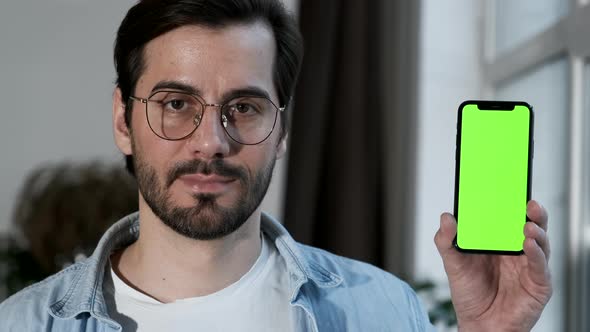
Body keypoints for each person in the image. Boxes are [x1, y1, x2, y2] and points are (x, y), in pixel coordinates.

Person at [0, 0, 552, 331]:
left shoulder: (379, 309)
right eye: (176, 104)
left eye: (243, 108)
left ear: (283, 130)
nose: (211, 142)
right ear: (124, 119)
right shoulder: (22, 324)